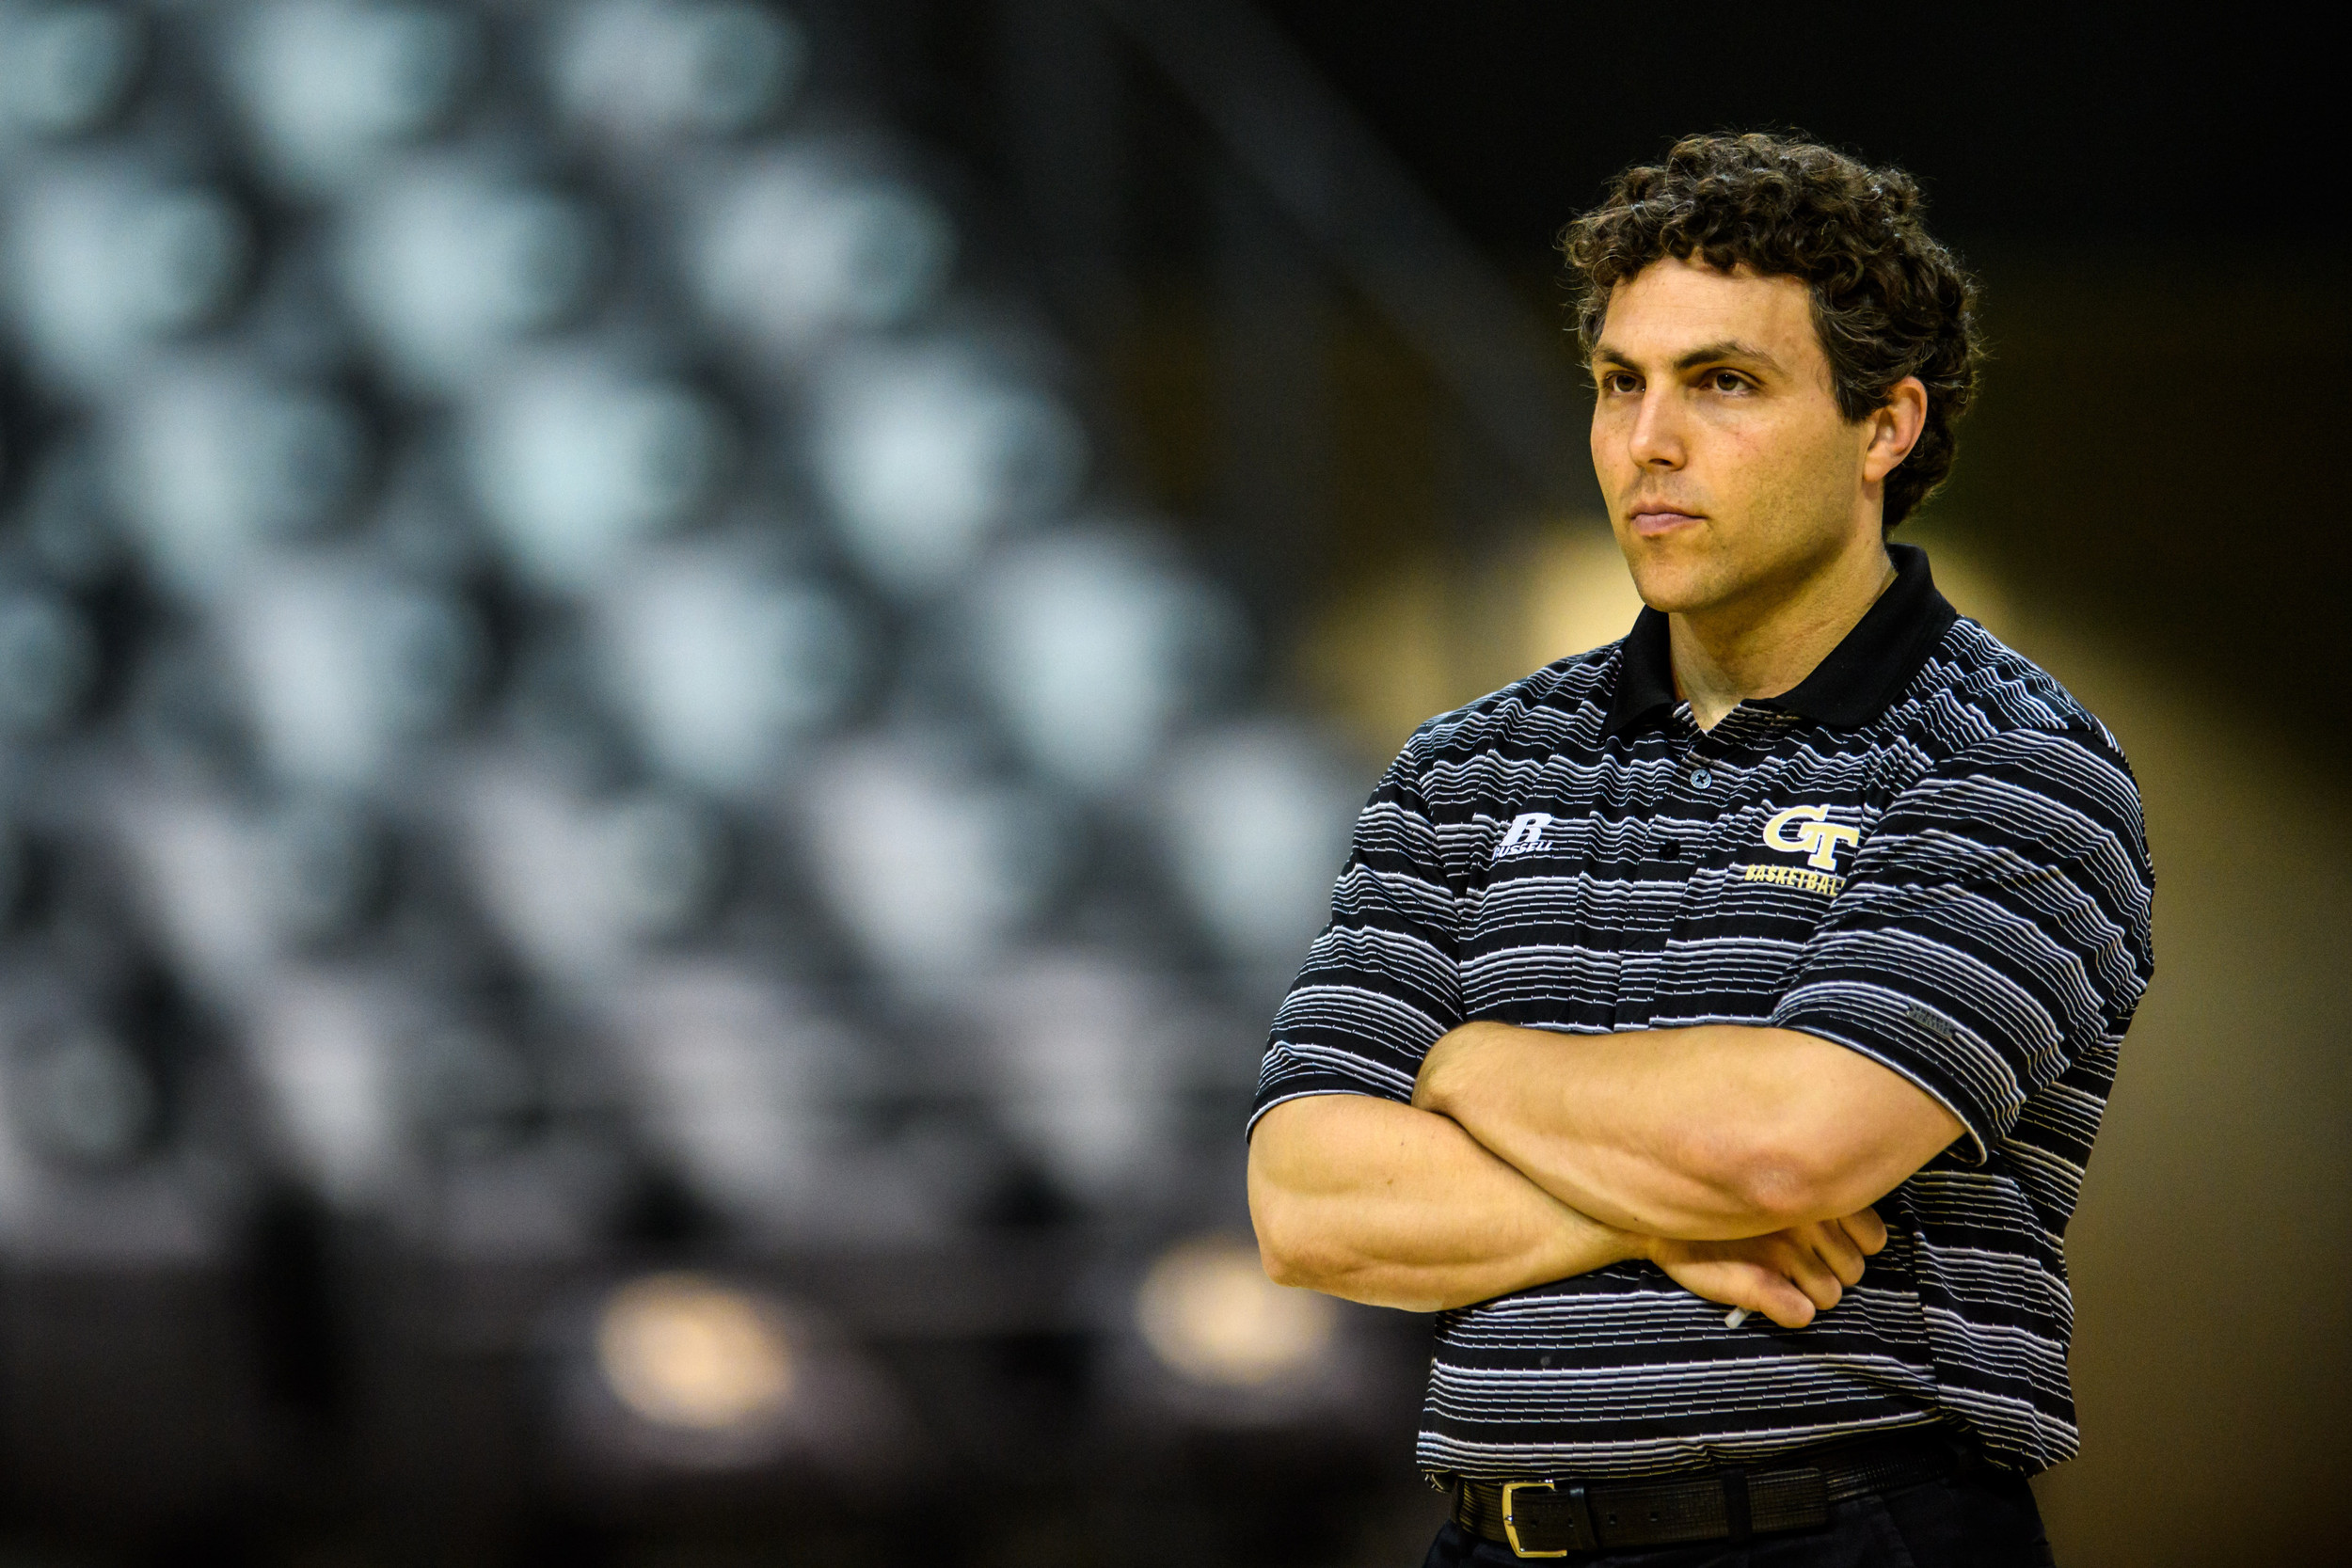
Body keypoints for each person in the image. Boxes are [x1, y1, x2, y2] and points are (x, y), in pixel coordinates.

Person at [1247, 133, 2155, 1566]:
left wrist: (1462, 1064)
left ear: (1886, 425)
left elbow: (1785, 1149)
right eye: (1621, 384)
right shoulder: (1465, 765)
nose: (1646, 441)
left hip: (1846, 1529)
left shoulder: (2011, 763)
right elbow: (1306, 1202)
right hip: (1494, 1537)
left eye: (1723, 382)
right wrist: (1663, 1214)